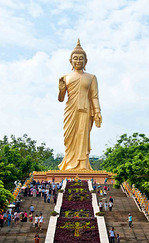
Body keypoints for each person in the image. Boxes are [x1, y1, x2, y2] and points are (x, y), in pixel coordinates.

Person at [58, 39, 102, 170]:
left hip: (85, 110)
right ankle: (69, 164)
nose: (78, 61)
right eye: (75, 58)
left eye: (81, 58)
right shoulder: (65, 77)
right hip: (70, 110)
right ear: (70, 61)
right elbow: (61, 99)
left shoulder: (91, 77)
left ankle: (82, 164)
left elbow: (94, 96)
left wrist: (98, 111)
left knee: (83, 136)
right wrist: (61, 89)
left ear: (86, 61)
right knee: (69, 137)